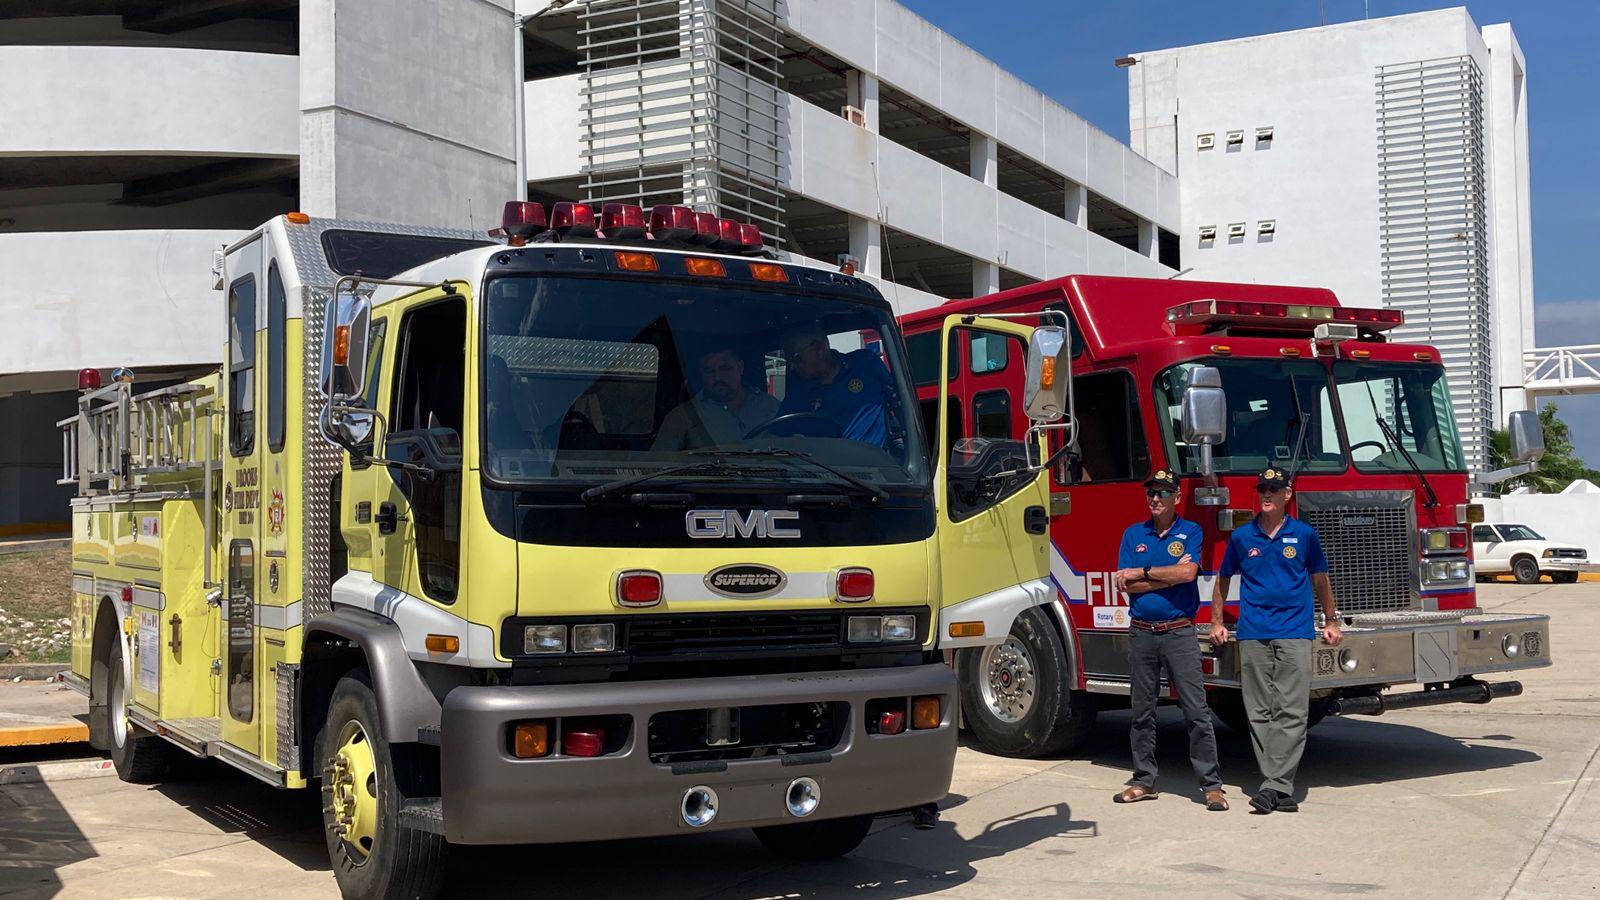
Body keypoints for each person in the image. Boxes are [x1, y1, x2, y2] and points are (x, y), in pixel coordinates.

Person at [1209, 466, 1342, 814]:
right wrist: (1217, 620)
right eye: (1262, 489)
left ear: (1288, 495)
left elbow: (1320, 579)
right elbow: (1222, 580)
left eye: (1274, 489)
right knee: (1258, 710)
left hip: (1295, 632)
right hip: (1254, 634)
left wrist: (1330, 620)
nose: (1266, 494)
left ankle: (1273, 784)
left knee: (1293, 709)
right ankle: (1279, 788)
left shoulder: (1304, 535)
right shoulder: (1242, 537)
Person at [1110, 469, 1228, 811]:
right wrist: (1169, 576)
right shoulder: (1134, 535)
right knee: (1141, 712)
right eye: (1151, 493)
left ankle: (1212, 786)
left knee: (1196, 710)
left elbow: (1188, 573)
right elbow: (1125, 584)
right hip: (1142, 632)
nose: (1156, 499)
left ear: (1177, 498)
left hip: (1179, 632)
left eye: (1163, 493)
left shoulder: (1190, 531)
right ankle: (1143, 780)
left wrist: (1145, 573)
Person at [778, 325, 892, 446]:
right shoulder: (797, 396)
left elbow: (898, 399)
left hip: (877, 462)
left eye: (796, 358)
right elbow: (775, 437)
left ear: (818, 350)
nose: (792, 367)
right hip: (823, 464)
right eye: (788, 361)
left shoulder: (865, 363)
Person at [652, 346, 778, 450]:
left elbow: (794, 448)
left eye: (725, 369)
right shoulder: (683, 416)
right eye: (709, 371)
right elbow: (658, 464)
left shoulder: (772, 406)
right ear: (702, 375)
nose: (717, 378)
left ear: (740, 367)